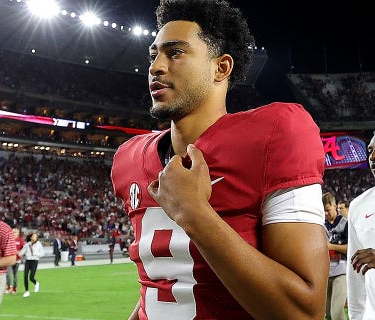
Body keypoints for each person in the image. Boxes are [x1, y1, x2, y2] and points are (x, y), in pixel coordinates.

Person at [110, 1, 329, 319]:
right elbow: (160, 290)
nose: (156, 66)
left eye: (175, 53)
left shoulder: (274, 133)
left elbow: (304, 312)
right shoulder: (129, 159)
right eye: (153, 55)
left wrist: (196, 214)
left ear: (221, 68)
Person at [346, 131, 375, 320]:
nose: (373, 158)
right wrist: (356, 317)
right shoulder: (358, 205)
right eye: (371, 151)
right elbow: (354, 272)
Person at [323, 192, 348, 320]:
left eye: (327, 210)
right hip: (326, 272)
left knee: (336, 312)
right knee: (327, 314)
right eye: (324, 211)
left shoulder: (345, 223)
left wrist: (331, 246)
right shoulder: (322, 225)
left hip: (341, 271)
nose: (326, 213)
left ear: (334, 205)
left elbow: (351, 247)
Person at [19, 233, 43, 298]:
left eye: (36, 236)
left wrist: (36, 254)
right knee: (25, 276)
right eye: (33, 236)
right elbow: (21, 253)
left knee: (31, 277)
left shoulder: (39, 244)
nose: (35, 237)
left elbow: (42, 254)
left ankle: (36, 283)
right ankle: (26, 291)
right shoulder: (27, 245)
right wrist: (17, 253)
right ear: (30, 237)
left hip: (34, 261)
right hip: (28, 261)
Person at [5, 227, 23, 295]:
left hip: (17, 260)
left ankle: (15, 288)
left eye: (15, 232)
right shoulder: (8, 240)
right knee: (8, 274)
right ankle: (9, 286)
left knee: (15, 275)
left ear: (18, 233)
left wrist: (19, 252)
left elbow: (23, 249)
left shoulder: (20, 241)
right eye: (12, 232)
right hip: (9, 260)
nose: (14, 233)